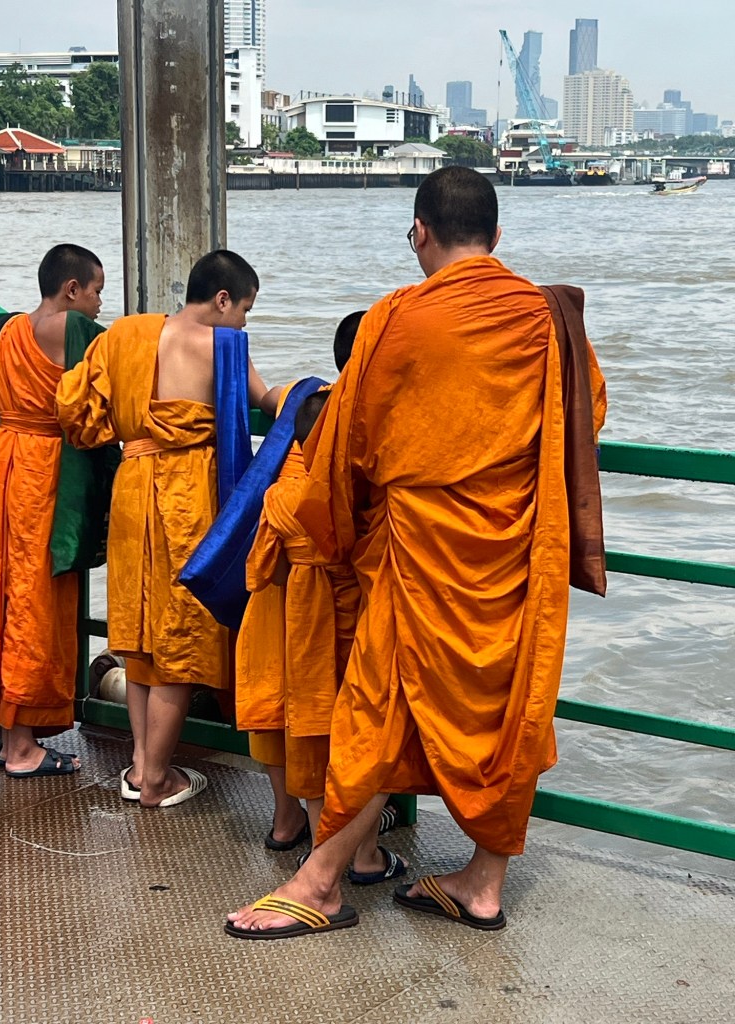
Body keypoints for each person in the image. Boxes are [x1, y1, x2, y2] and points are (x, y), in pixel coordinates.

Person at [226, 165, 607, 939]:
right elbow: (586, 413)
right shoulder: (548, 317)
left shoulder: (397, 316)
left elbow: (347, 442)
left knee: (377, 708)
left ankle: (321, 884)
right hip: (517, 557)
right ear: (497, 236)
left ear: (420, 233)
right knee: (512, 712)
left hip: (420, 552)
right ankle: (482, 885)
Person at [57, 249, 281, 808]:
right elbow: (266, 400)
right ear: (223, 299)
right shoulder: (224, 347)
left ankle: (141, 765)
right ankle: (156, 779)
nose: (243, 323)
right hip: (190, 497)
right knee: (182, 641)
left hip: (133, 486)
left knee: (138, 637)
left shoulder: (125, 334)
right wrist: (311, 396)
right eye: (245, 310)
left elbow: (78, 410)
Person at [239, 381, 406, 884]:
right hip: (357, 625)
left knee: (308, 733)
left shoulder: (282, 497)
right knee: (361, 735)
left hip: (300, 630)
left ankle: (316, 847)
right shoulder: (360, 496)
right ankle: (366, 856)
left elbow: (261, 572)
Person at [0, 243, 105, 776]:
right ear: (71, 289)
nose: (98, 303)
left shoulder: (7, 329)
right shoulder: (73, 331)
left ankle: (11, 737)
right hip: (41, 474)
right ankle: (23, 749)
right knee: (32, 604)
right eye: (95, 291)